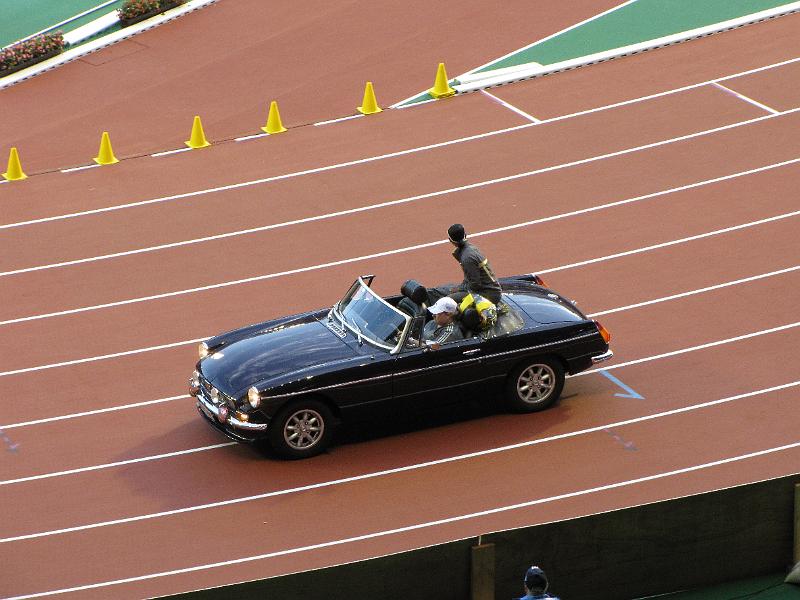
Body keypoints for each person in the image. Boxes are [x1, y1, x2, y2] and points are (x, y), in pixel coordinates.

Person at [447, 223, 502, 305]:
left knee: (448, 301)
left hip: (488, 294)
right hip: (489, 290)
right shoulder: (470, 249)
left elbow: (475, 284)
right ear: (465, 235)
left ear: (451, 241)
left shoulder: (467, 258)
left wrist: (459, 289)